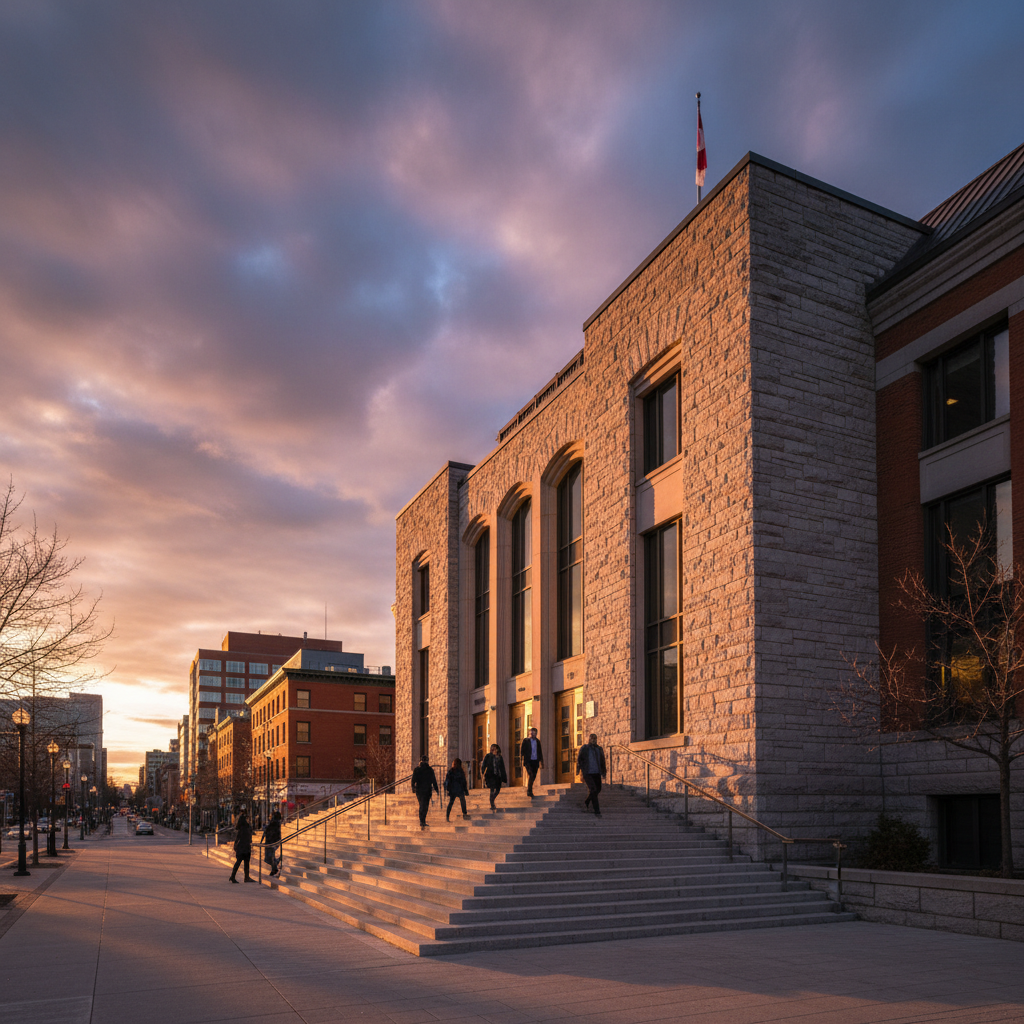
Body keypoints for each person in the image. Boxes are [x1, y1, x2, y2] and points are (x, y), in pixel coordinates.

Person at [576, 733, 607, 817]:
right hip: (588, 773)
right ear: (589, 739)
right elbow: (579, 759)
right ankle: (597, 810)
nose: (593, 740)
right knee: (593, 789)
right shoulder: (585, 748)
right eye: (592, 739)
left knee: (598, 789)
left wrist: (604, 772)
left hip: (596, 772)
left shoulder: (599, 749)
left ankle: (587, 801)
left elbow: (602, 760)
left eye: (595, 739)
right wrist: (578, 771)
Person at [411, 754, 439, 829]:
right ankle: (423, 821)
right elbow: (434, 780)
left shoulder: (417, 769)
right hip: (427, 790)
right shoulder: (429, 770)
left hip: (420, 790)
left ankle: (422, 821)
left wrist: (413, 787)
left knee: (422, 805)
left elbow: (413, 780)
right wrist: (437, 789)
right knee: (425, 806)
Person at [229, 811, 255, 882]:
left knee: (239, 862)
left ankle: (233, 876)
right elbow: (248, 837)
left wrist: (235, 846)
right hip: (245, 847)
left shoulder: (241, 828)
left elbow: (237, 838)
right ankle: (245, 877)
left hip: (242, 847)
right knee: (245, 863)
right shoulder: (246, 828)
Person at [481, 744, 508, 810]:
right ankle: (492, 804)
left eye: (495, 748)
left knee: (498, 790)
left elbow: (502, 768)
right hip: (490, 775)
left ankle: (492, 799)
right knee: (492, 789)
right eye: (492, 748)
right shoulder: (488, 756)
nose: (494, 750)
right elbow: (484, 765)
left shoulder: (499, 757)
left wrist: (504, 777)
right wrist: (483, 772)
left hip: (497, 776)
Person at [519, 727, 544, 797]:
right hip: (528, 761)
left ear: (536, 734)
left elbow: (540, 752)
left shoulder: (537, 741)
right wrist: (521, 760)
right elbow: (522, 751)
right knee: (531, 775)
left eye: (534, 733)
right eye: (531, 733)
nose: (532, 734)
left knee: (534, 776)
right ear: (529, 733)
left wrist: (541, 761)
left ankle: (529, 789)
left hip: (535, 761)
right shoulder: (526, 741)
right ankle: (529, 791)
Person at [262, 810, 282, 876]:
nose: (270, 816)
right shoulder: (274, 822)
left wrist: (266, 827)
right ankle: (276, 864)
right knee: (268, 857)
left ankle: (275, 867)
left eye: (271, 815)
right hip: (271, 841)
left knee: (269, 857)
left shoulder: (274, 823)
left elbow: (271, 831)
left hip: (272, 842)